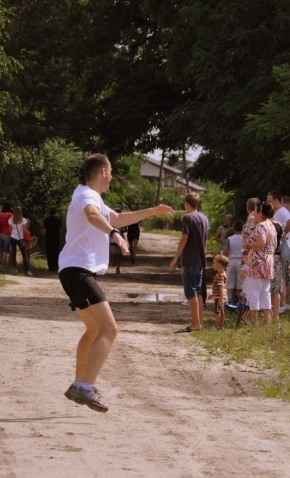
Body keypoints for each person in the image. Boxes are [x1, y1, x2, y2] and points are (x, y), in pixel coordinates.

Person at [59, 153, 174, 412]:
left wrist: (152, 211)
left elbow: (119, 219)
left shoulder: (90, 196)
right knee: (109, 329)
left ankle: (79, 383)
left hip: (73, 270)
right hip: (79, 271)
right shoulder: (88, 197)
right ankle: (86, 387)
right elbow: (92, 216)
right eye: (110, 172)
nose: (111, 176)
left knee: (93, 331)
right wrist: (113, 234)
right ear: (102, 172)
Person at [170, 192, 208, 333]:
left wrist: (175, 258)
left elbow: (184, 238)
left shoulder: (187, 218)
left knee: (190, 293)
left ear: (187, 203)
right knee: (198, 291)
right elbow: (205, 242)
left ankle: (195, 323)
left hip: (189, 259)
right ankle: (200, 322)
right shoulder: (204, 218)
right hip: (199, 260)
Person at [243, 201, 277, 327]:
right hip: (268, 261)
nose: (254, 214)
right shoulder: (271, 225)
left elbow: (261, 242)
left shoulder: (261, 226)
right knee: (265, 292)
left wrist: (249, 245)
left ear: (260, 212)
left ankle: (254, 321)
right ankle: (267, 320)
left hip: (258, 262)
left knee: (254, 292)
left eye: (255, 211)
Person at [267, 191, 290, 313]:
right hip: (278, 248)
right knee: (280, 278)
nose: (268, 204)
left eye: (270, 201)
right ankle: (280, 305)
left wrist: (280, 234)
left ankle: (281, 306)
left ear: (277, 201)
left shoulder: (282, 211)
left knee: (280, 279)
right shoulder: (278, 212)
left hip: (281, 248)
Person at [223, 219, 243, 304]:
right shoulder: (244, 239)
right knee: (240, 284)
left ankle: (230, 301)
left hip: (231, 261)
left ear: (234, 228)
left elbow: (225, 252)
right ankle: (240, 301)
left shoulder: (229, 239)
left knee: (230, 283)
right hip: (240, 262)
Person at [207, 254, 229, 330]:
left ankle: (217, 327)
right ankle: (221, 327)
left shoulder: (220, 275)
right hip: (220, 296)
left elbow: (221, 287)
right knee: (221, 311)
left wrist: (220, 298)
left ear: (219, 264)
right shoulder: (223, 273)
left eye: (214, 263)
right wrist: (213, 295)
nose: (213, 264)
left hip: (219, 297)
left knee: (217, 312)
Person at [8, 206, 30, 275]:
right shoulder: (23, 220)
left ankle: (14, 269)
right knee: (24, 255)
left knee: (13, 254)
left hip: (13, 238)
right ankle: (27, 271)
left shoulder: (11, 219)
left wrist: (14, 232)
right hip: (20, 238)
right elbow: (24, 230)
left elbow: (10, 230)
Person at [44, 205, 62, 272]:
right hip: (56, 236)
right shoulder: (58, 219)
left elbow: (45, 226)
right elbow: (60, 226)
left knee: (49, 251)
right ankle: (56, 265)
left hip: (48, 236)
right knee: (56, 251)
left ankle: (50, 266)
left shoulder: (47, 219)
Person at [0, 202, 13, 266]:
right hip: (7, 234)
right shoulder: (10, 215)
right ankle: (3, 265)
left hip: (0, 233)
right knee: (5, 251)